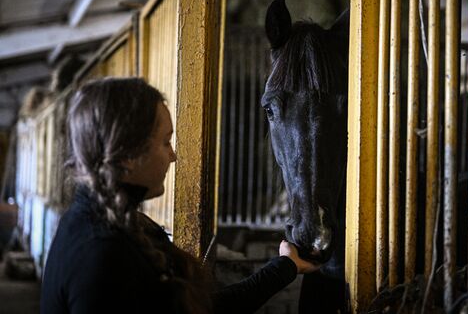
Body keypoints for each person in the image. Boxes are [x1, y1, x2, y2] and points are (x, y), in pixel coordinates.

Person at [40, 77, 319, 314]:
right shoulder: (102, 254)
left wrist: (284, 268)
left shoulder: (108, 224)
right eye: (165, 141)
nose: (173, 155)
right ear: (126, 154)